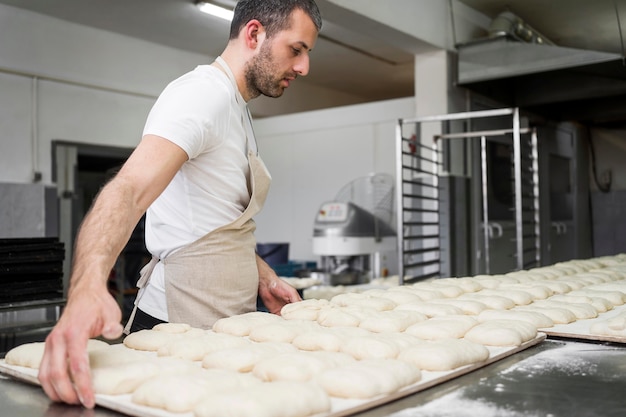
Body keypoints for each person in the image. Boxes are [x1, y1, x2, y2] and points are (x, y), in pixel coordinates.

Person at [37, 0, 322, 408]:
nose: (303, 67)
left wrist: (261, 274)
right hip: (176, 327)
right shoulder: (200, 95)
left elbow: (214, 220)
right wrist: (86, 287)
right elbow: (129, 189)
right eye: (296, 50)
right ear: (254, 33)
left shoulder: (236, 108)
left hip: (225, 326)